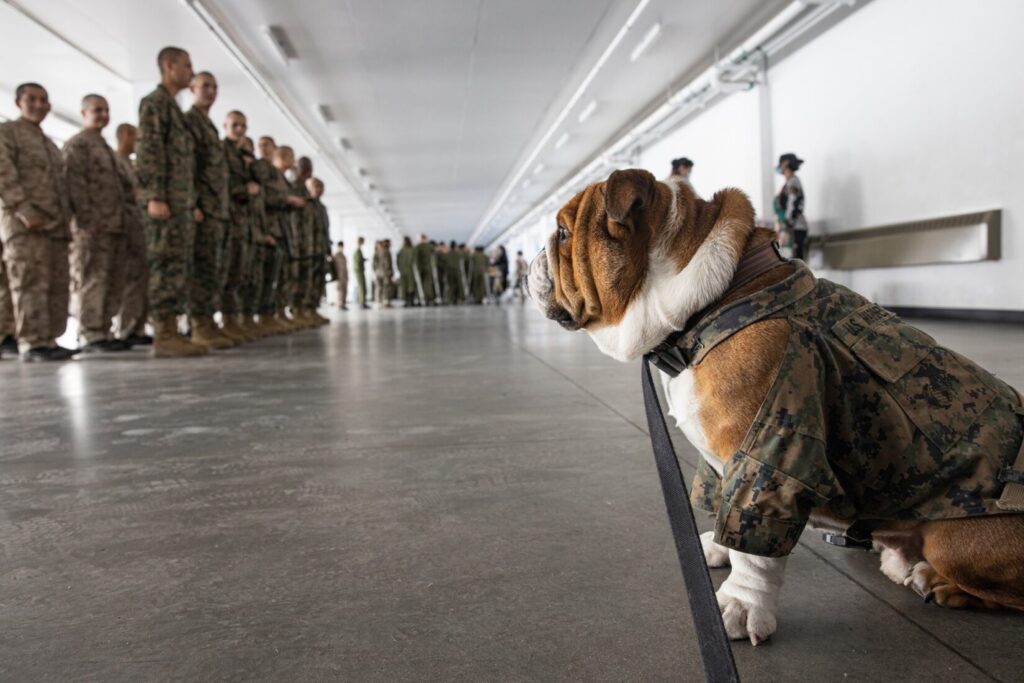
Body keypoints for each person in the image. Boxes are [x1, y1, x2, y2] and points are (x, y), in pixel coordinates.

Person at [137, 46, 207, 357]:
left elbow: (182, 162)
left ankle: (172, 329)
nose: (191, 71)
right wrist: (154, 195)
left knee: (178, 265)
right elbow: (150, 150)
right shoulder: (155, 104)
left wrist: (189, 202)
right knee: (164, 265)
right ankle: (164, 333)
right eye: (186, 65)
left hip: (179, 203)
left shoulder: (173, 108)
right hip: (164, 203)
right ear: (169, 66)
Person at [0, 83, 74, 361]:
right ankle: (32, 342)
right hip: (25, 224)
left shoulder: (48, 144)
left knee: (55, 285)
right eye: (31, 99)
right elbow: (3, 172)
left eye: (43, 100)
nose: (38, 104)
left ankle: (48, 339)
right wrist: (22, 208)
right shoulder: (8, 133)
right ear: (18, 102)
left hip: (55, 226)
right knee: (29, 282)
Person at [63, 94, 134, 353]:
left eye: (106, 110)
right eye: (97, 110)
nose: (102, 115)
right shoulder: (78, 145)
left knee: (112, 281)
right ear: (84, 113)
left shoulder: (105, 148)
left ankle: (104, 329)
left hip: (113, 226)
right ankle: (91, 333)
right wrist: (85, 220)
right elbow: (73, 185)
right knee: (92, 279)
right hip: (92, 228)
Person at [184, 71, 235, 349]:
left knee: (211, 268)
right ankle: (198, 324)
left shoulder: (208, 125)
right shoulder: (190, 121)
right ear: (192, 88)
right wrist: (193, 203)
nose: (211, 91)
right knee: (200, 267)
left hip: (216, 209)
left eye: (214, 87)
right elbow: (186, 167)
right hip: (202, 207)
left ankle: (207, 321)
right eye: (205, 86)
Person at [221, 110, 259, 342]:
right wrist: (244, 190)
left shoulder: (241, 156)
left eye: (243, 126)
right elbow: (220, 184)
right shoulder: (222, 151)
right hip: (227, 219)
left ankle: (234, 320)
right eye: (235, 125)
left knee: (239, 273)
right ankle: (226, 320)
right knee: (226, 272)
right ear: (225, 126)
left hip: (242, 222)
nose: (239, 130)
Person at [113, 123, 151, 346]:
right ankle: (125, 328)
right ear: (126, 135)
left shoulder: (132, 165)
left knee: (139, 280)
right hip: (122, 227)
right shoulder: (117, 161)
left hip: (137, 227)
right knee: (128, 281)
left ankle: (136, 327)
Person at [251, 136, 291, 333]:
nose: (263, 149)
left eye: (266, 145)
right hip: (263, 228)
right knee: (261, 276)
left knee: (275, 275)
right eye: (260, 146)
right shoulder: (258, 169)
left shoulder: (274, 173)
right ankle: (260, 316)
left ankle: (271, 313)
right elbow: (264, 199)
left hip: (276, 228)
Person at [305, 176, 331, 325]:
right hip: (308, 247)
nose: (319, 190)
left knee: (318, 280)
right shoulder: (306, 205)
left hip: (320, 248)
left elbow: (325, 230)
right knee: (307, 279)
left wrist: (327, 249)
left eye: (321, 187)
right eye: (316, 187)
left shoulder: (321, 208)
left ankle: (313, 309)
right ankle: (303, 310)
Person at [774, 152, 808, 260]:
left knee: (796, 261)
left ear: (785, 164)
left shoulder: (793, 182)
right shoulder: (789, 183)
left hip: (795, 228)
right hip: (791, 229)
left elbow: (792, 204)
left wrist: (788, 222)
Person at [413, 234, 435, 305]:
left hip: (420, 268)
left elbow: (415, 258)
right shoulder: (430, 246)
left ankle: (420, 298)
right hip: (428, 267)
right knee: (428, 283)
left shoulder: (417, 247)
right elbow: (434, 254)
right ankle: (429, 297)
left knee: (420, 283)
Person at [396, 236, 416, 306]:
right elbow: (414, 260)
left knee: (405, 286)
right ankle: (411, 301)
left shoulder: (401, 250)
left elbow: (397, 260)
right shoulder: (412, 249)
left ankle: (407, 301)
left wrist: (399, 268)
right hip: (409, 270)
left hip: (403, 270)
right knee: (410, 285)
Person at [353, 236, 369, 309]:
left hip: (360, 271)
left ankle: (363, 302)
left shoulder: (359, 251)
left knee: (363, 287)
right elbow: (357, 264)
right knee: (361, 287)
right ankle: (362, 302)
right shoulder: (357, 251)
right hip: (359, 272)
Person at [333, 241, 348, 310]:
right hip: (339, 276)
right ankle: (340, 304)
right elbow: (333, 267)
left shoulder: (343, 255)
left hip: (344, 276)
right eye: (341, 247)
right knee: (340, 291)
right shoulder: (335, 256)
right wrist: (335, 276)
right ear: (338, 247)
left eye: (343, 247)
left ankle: (343, 304)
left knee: (344, 290)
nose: (342, 248)